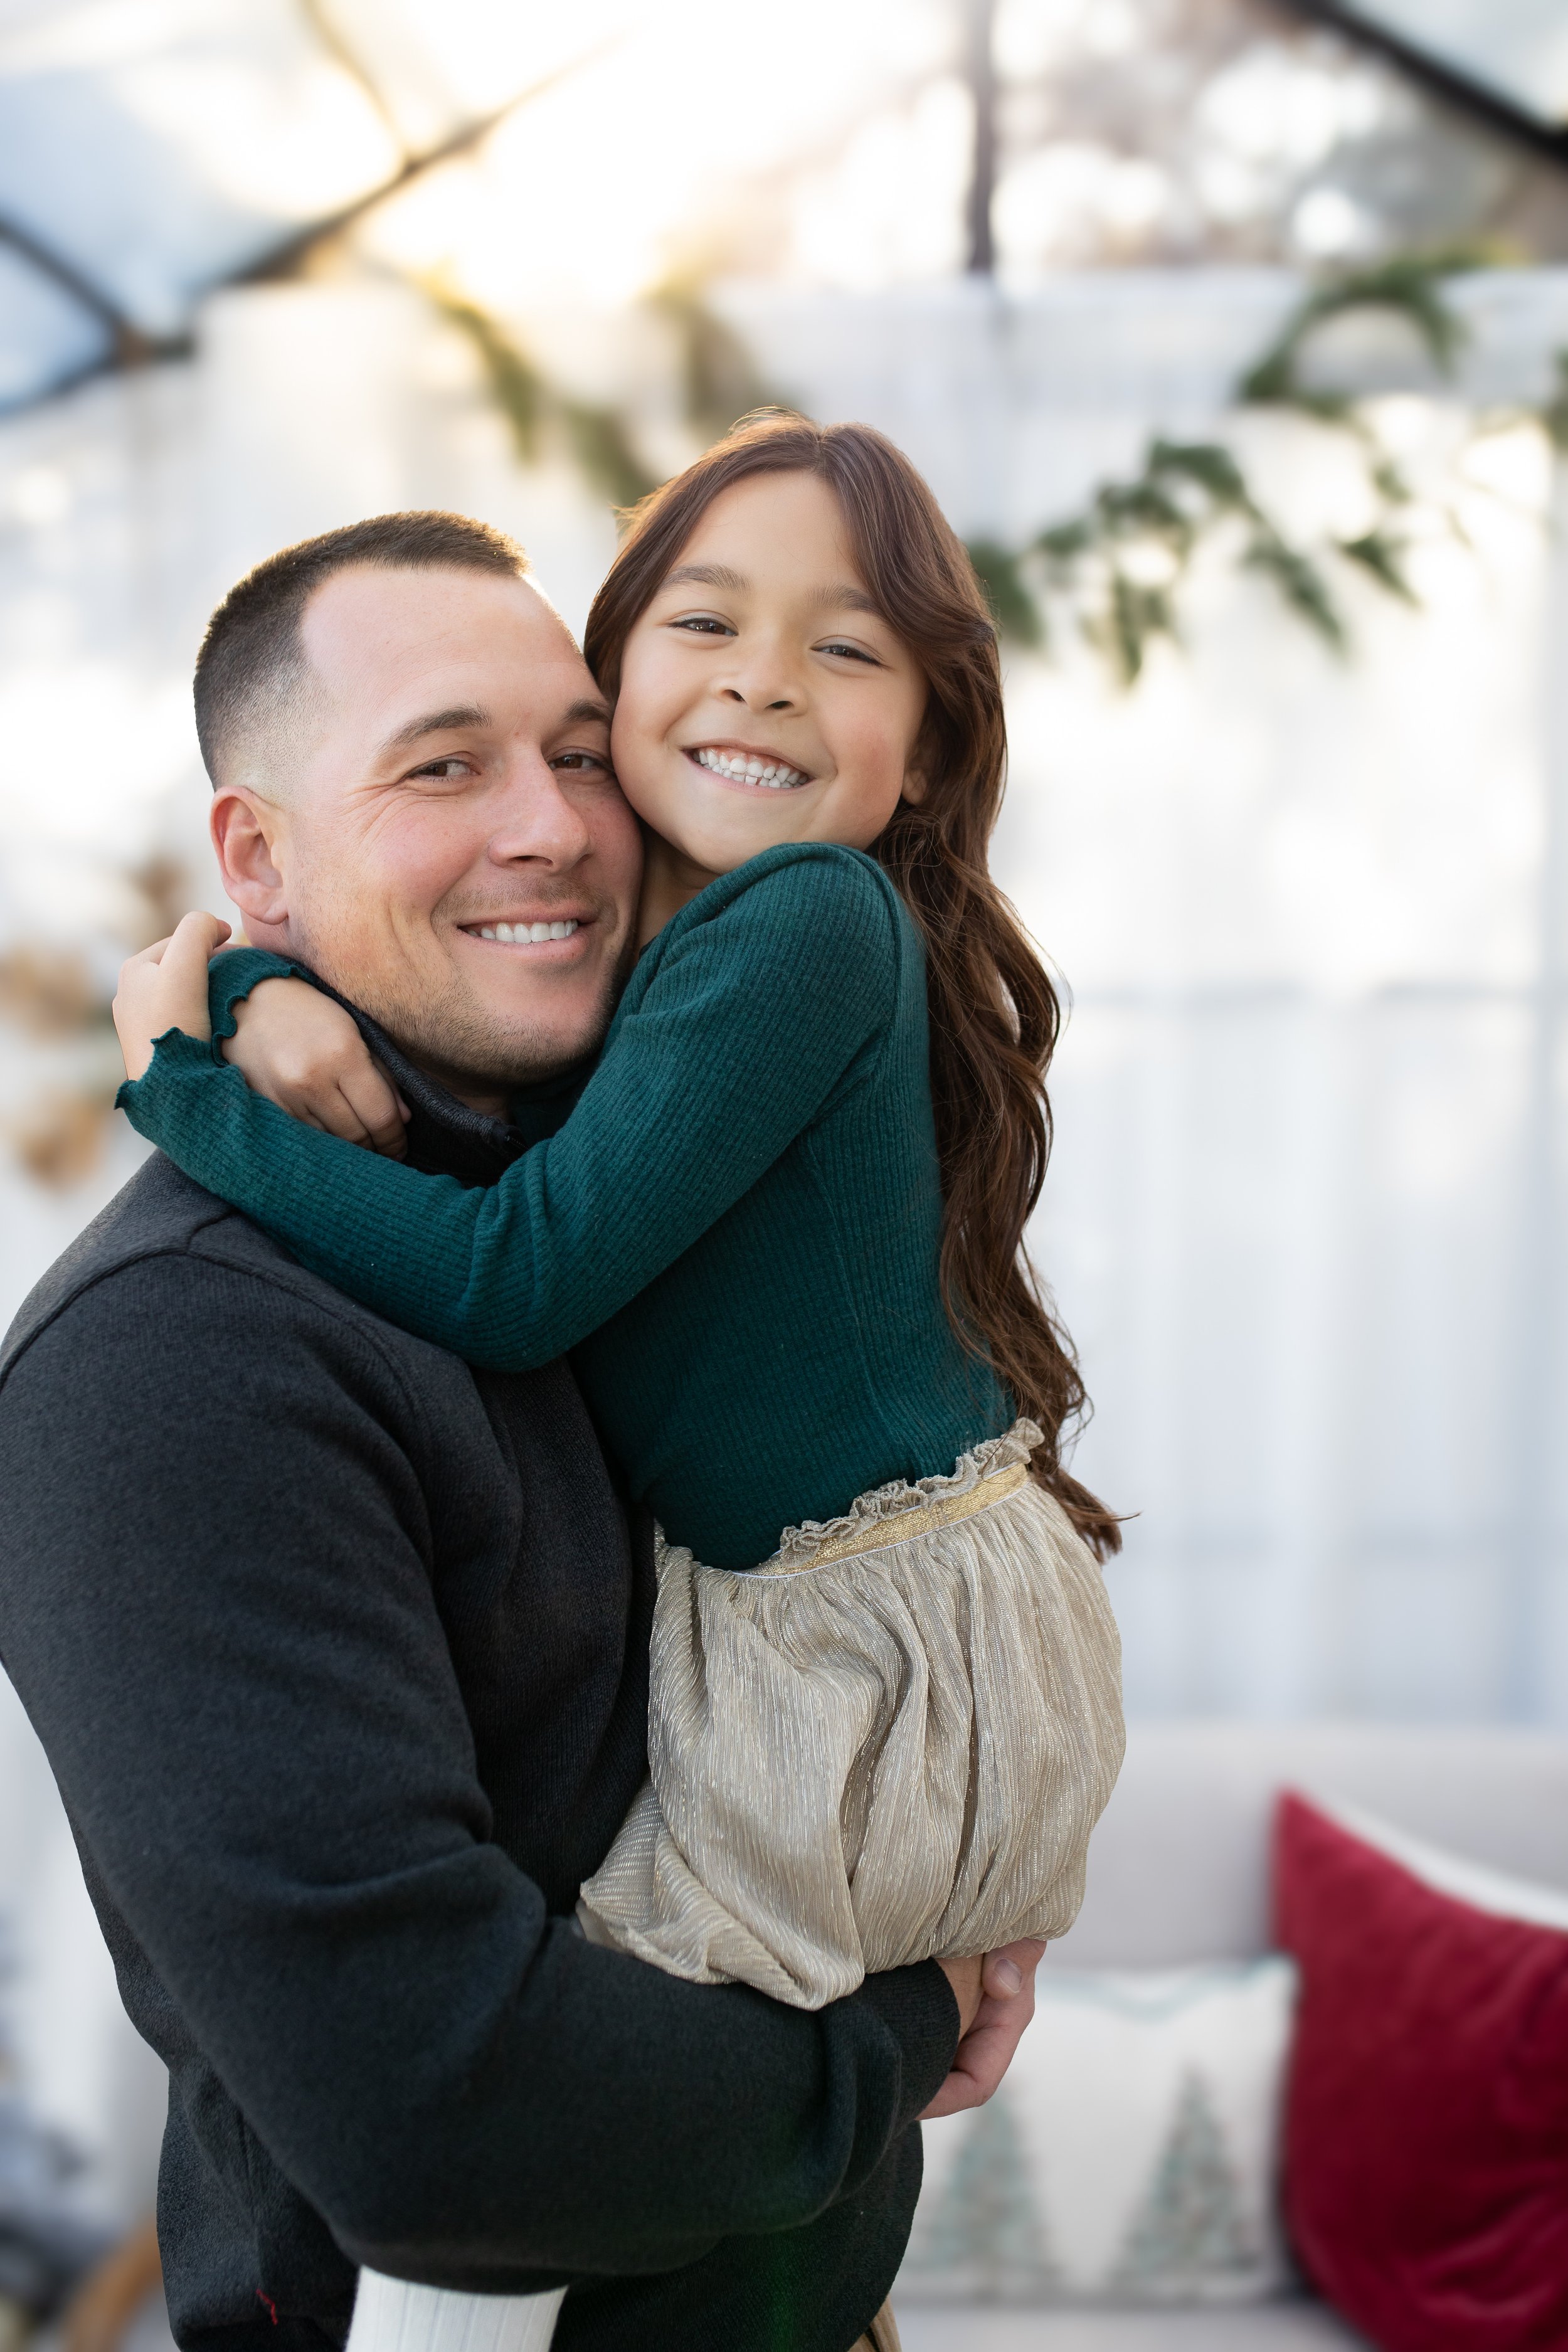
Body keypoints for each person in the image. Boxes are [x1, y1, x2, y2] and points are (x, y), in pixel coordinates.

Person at [0, 507, 1046, 2352]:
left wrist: (249, 995)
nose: (552, 826)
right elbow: (440, 2113)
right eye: (442, 767)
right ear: (256, 852)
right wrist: (899, 2021)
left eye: (580, 753)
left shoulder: (577, 1184)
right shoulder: (175, 1362)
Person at [117, 418, 1123, 2034]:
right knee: (627, 2101)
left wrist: (186, 1086)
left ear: (928, 750)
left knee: (590, 2077)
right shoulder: (652, 923)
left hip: (870, 1634)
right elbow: (419, 937)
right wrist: (251, 977)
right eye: (707, 623)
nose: (764, 681)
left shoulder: (801, 917)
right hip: (827, 1621)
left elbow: (515, 1274)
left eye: (846, 650)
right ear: (626, 672)